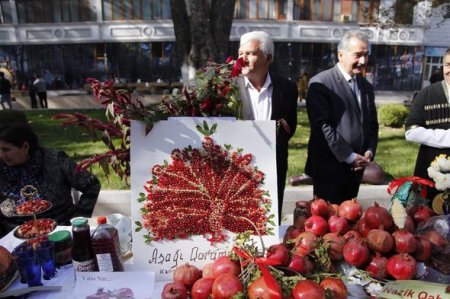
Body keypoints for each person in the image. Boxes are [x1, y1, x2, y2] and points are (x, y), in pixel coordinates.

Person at [304, 30, 379, 204]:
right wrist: (350, 157)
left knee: (350, 223)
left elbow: (372, 124)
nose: (363, 61)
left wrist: (369, 151)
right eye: (358, 55)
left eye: (366, 55)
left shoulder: (366, 86)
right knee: (328, 225)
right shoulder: (320, 83)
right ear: (341, 54)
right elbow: (322, 127)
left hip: (357, 170)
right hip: (329, 170)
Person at [235, 31, 298, 223]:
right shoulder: (228, 88)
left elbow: (290, 126)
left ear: (268, 58)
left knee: (269, 221)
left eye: (250, 53)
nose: (243, 59)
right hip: (236, 168)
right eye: (240, 53)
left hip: (273, 166)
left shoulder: (287, 89)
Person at [0, 123, 101, 237]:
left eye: (6, 150)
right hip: (13, 237)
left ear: (25, 147)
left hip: (60, 232)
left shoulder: (55, 160)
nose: (1, 155)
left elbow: (91, 185)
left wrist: (77, 219)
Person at [405, 47, 450, 200]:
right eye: (448, 65)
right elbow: (411, 131)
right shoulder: (426, 94)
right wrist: (446, 138)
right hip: (430, 174)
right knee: (428, 218)